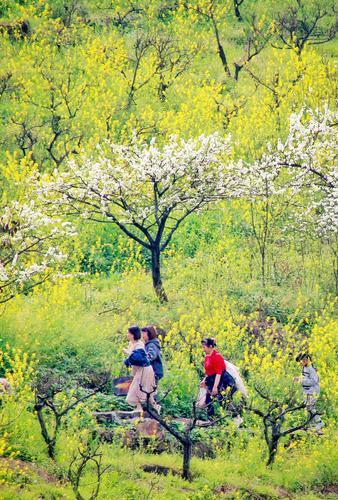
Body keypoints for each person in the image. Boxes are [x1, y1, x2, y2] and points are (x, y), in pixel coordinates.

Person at [123, 325, 159, 414]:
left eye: (128, 333)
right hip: (139, 369)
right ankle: (156, 407)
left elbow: (138, 358)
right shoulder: (131, 344)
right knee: (147, 391)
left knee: (137, 387)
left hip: (144, 369)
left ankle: (139, 408)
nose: (127, 335)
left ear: (132, 334)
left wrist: (128, 353)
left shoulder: (139, 344)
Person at [200, 338, 236, 418]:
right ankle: (211, 419)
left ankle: (231, 418)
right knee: (208, 399)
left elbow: (219, 373)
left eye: (204, 347)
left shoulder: (217, 356)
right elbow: (208, 371)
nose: (203, 349)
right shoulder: (207, 356)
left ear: (210, 346)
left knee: (222, 399)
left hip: (222, 380)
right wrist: (204, 380)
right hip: (212, 379)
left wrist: (215, 387)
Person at [295, 353, 324, 433]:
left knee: (310, 407)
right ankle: (315, 428)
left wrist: (301, 381)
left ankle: (320, 423)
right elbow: (304, 377)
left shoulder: (311, 369)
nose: (300, 364)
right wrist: (298, 378)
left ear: (306, 360)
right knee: (308, 408)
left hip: (313, 391)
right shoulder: (304, 368)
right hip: (307, 392)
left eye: (301, 362)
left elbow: (314, 381)